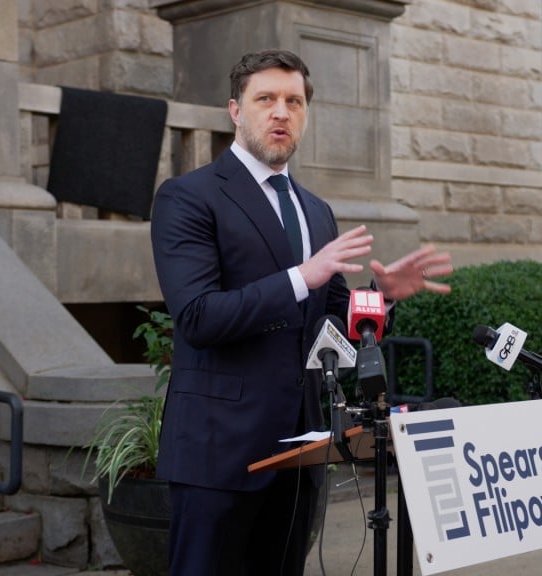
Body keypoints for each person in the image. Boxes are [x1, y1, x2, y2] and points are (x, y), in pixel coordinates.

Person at [149, 49, 452, 575]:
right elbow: (198, 317)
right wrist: (301, 277)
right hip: (218, 455)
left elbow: (333, 327)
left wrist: (383, 296)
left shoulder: (315, 211)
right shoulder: (187, 196)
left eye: (294, 101)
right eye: (265, 99)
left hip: (300, 454)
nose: (281, 112)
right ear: (235, 111)